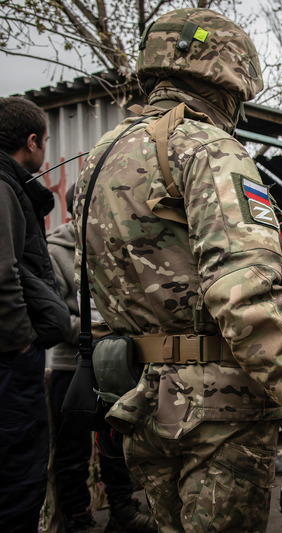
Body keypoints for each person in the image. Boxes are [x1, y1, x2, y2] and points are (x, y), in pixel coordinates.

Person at [72, 8, 282, 532]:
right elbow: (245, 296)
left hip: (143, 399)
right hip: (219, 410)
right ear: (230, 79)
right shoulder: (210, 149)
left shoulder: (100, 157)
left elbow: (97, 284)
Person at [46, 184, 156, 533]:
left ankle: (122, 509)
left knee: (119, 440)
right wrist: (103, 335)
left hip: (116, 365)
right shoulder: (54, 251)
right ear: (76, 209)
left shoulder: (115, 244)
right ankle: (77, 518)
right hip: (72, 365)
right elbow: (57, 316)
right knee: (72, 449)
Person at [0, 96, 70, 532]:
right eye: (44, 141)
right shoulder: (5, 187)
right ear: (31, 142)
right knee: (17, 481)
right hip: (10, 363)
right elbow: (3, 274)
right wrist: (21, 340)